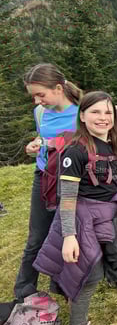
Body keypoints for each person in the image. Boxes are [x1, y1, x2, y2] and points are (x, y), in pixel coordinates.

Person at [33, 91, 117, 325]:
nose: (103, 118)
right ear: (82, 116)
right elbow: (67, 198)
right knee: (88, 275)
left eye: (108, 112)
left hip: (111, 216)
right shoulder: (75, 151)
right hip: (81, 219)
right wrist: (69, 236)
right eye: (95, 112)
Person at [14, 63, 83, 299]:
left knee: (71, 232)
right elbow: (43, 137)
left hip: (74, 180)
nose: (37, 101)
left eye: (40, 95)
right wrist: (35, 146)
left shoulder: (82, 112)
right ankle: (24, 291)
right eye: (33, 96)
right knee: (36, 237)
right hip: (44, 177)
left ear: (58, 88)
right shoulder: (40, 112)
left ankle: (66, 283)